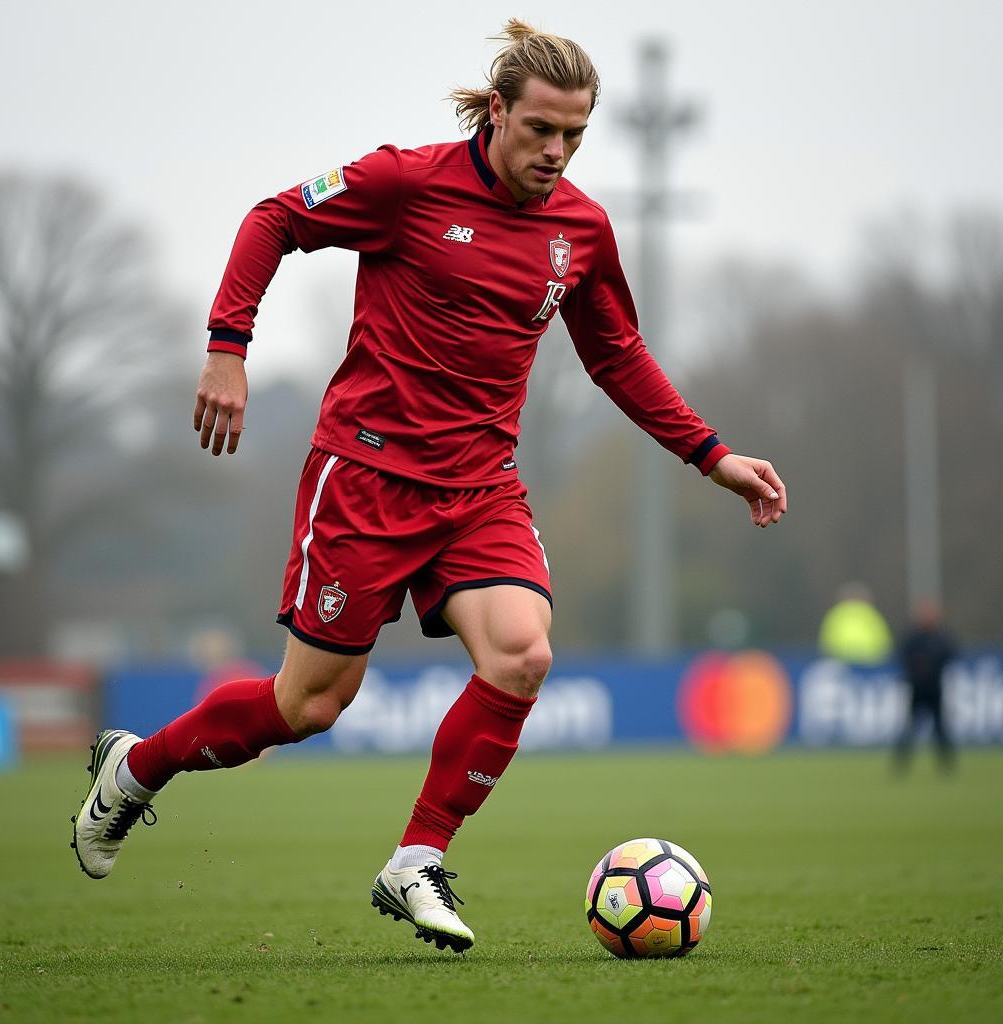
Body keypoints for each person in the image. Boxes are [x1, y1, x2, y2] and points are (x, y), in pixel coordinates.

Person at [71, 20, 787, 953]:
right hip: (366, 474)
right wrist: (227, 349)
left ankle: (417, 858)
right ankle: (135, 770)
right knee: (312, 706)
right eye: (541, 130)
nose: (557, 153)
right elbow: (274, 218)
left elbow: (616, 354)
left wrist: (710, 454)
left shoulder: (582, 230)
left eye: (575, 136)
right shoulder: (405, 183)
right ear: (498, 112)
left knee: (524, 656)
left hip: (479, 485)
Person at [893, 598, 957, 772]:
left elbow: (951, 655)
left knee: (940, 728)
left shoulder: (940, 637)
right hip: (917, 689)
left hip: (935, 689)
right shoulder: (913, 638)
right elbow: (902, 656)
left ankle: (947, 765)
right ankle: (900, 765)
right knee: (911, 727)